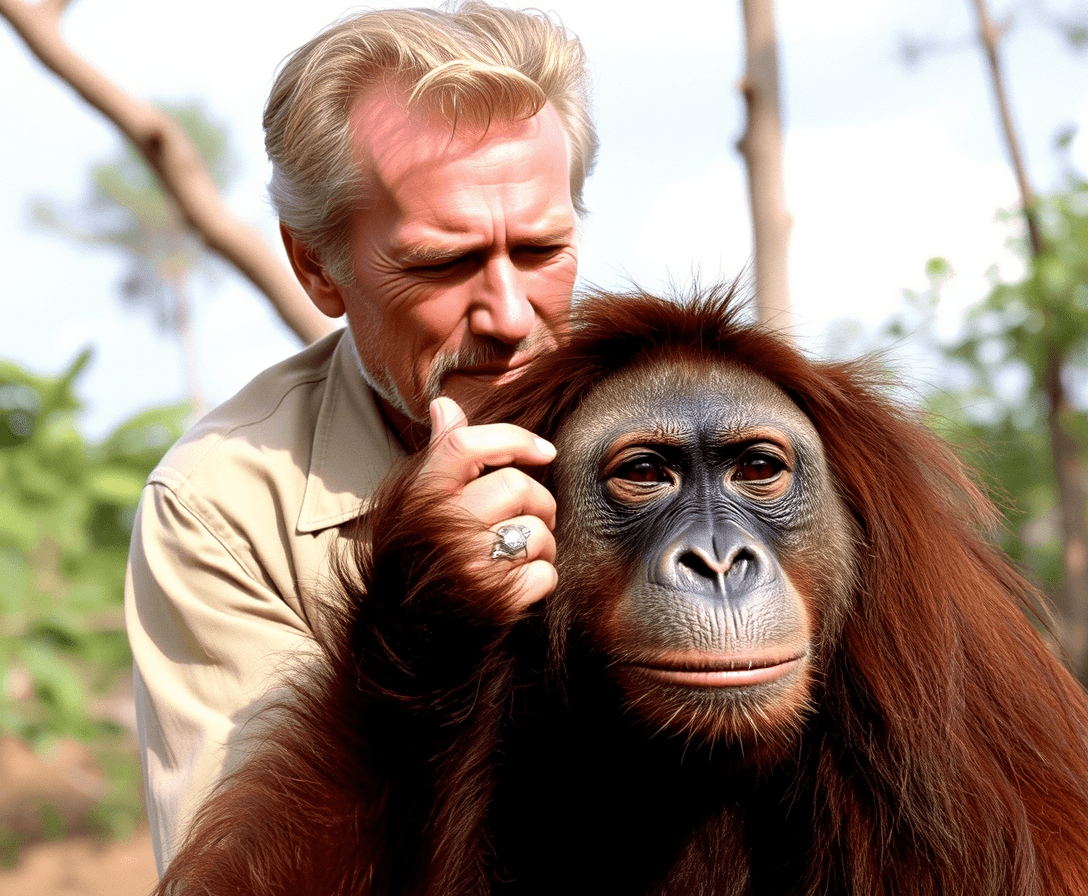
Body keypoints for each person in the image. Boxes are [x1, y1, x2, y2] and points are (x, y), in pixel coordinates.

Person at [124, 1, 598, 873]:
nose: (509, 315)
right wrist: (412, 626)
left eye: (542, 250)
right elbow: (247, 878)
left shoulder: (689, 417)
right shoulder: (222, 507)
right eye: (442, 263)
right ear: (317, 266)